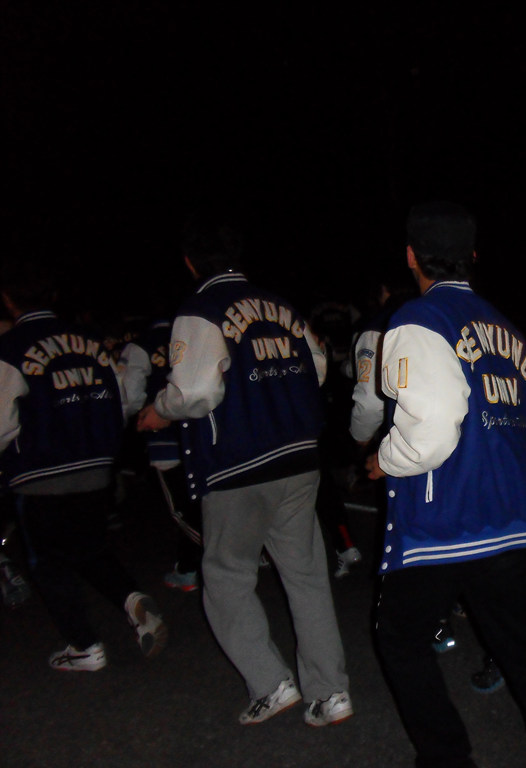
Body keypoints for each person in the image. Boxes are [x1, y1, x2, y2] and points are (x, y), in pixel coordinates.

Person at [368, 201, 526, 768]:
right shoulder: (504, 324)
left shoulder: (418, 318)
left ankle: (446, 758)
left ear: (411, 256)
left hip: (447, 516)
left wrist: (387, 458)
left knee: (400, 638)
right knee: (523, 646)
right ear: (471, 256)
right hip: (509, 509)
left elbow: (433, 427)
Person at [136, 212, 352, 727]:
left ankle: (271, 683)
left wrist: (159, 410)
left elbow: (195, 390)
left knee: (227, 576)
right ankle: (330, 692)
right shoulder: (280, 305)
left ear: (190, 262)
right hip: (297, 454)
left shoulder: (201, 308)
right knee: (306, 576)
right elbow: (318, 367)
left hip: (239, 461)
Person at [0, 262, 167, 671]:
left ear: (8, 299)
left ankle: (84, 645)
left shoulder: (10, 347)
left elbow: (2, 420)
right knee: (88, 546)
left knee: (46, 561)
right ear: (53, 296)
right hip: (95, 465)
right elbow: (122, 398)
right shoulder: (89, 341)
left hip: (39, 470)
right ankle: (131, 599)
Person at [120, 316, 204, 592]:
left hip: (165, 439)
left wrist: (134, 415)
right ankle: (188, 568)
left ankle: (226, 555)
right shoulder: (194, 335)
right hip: (200, 435)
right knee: (200, 503)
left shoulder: (141, 346)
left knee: (182, 510)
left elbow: (130, 395)